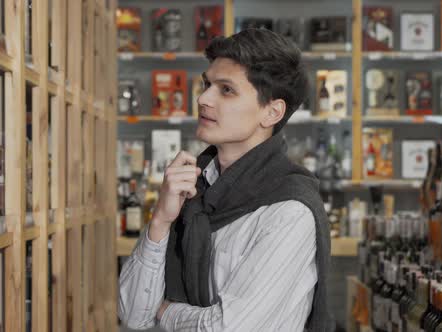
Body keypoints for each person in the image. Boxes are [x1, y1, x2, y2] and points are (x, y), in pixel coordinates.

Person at [118, 28, 332, 332]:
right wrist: (161, 222)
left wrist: (165, 313)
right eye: (207, 84)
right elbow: (134, 315)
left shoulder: (289, 212)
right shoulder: (192, 190)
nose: (203, 98)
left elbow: (228, 328)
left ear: (272, 112)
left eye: (226, 89)